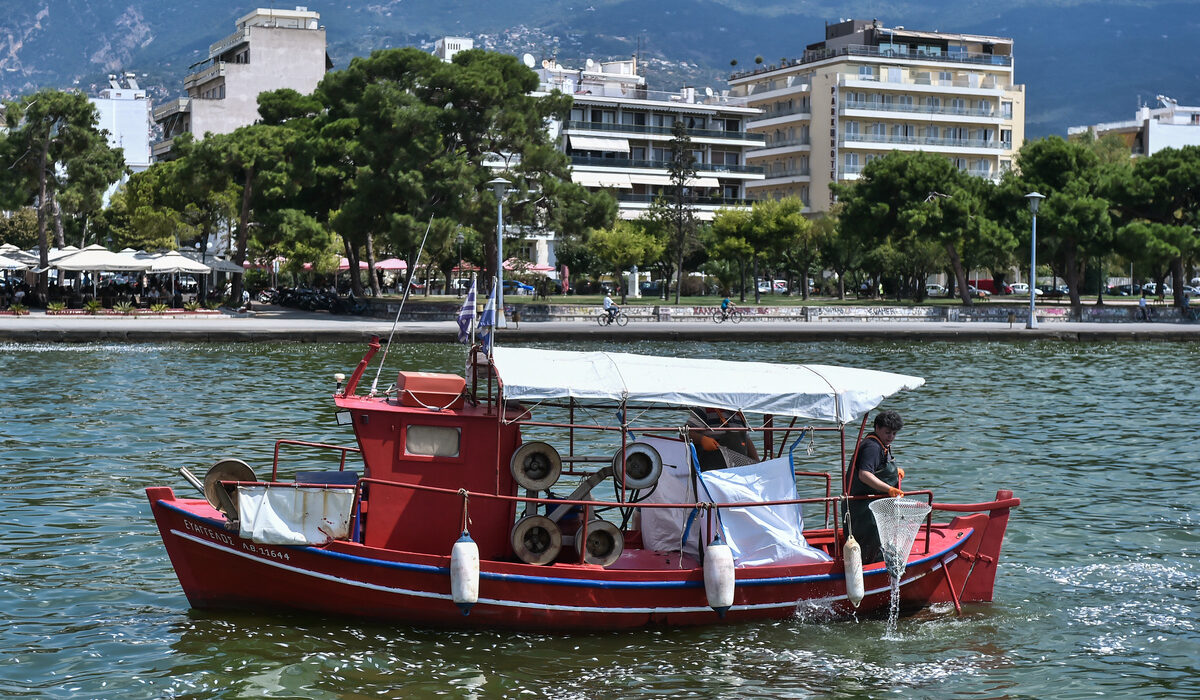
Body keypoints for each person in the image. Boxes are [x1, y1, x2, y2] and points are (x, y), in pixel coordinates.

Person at [843, 410, 905, 565]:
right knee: (868, 544)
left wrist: (894, 472)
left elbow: (877, 468)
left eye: (894, 434)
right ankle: (868, 568)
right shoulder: (872, 447)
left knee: (877, 541)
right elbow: (864, 474)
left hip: (871, 506)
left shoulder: (881, 444)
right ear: (877, 428)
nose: (890, 437)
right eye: (887, 432)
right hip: (863, 508)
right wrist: (889, 489)